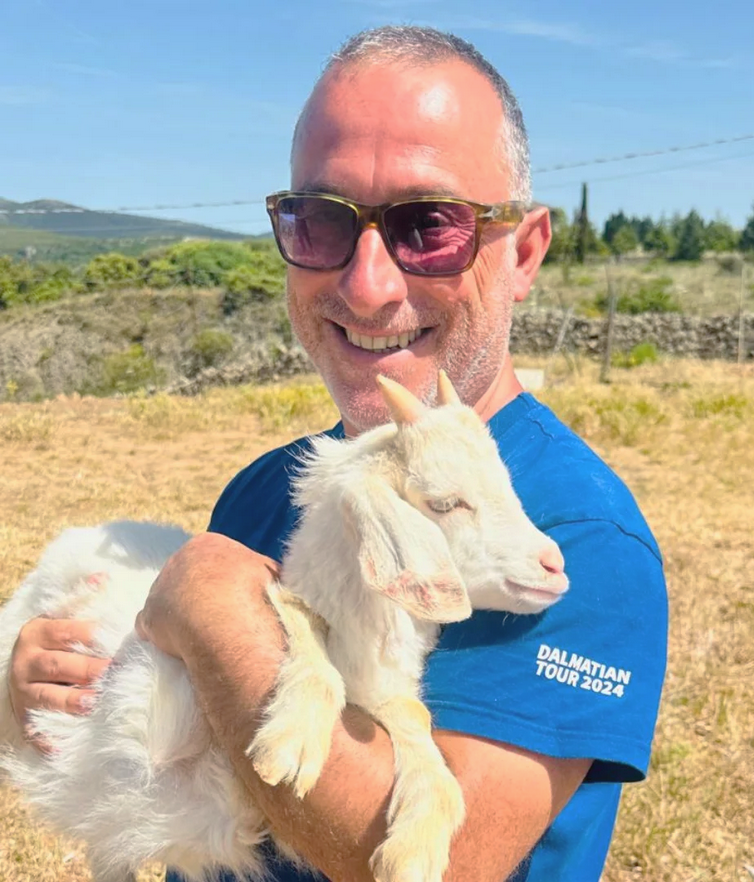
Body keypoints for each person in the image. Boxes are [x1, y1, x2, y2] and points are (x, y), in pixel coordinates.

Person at [6, 25, 667, 882]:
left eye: (430, 225)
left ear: (526, 251)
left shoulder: (578, 535)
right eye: (321, 221)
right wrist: (40, 681)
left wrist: (214, 607)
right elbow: (181, 759)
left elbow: (448, 862)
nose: (367, 284)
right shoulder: (266, 492)